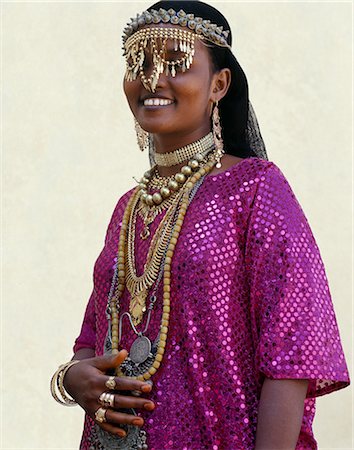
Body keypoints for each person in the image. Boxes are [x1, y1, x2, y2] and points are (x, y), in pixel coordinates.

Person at [50, 1, 350, 449]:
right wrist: (74, 376)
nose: (153, 79)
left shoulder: (254, 189)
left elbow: (292, 352)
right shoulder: (127, 208)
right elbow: (94, 336)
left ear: (219, 84)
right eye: (140, 63)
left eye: (177, 62)